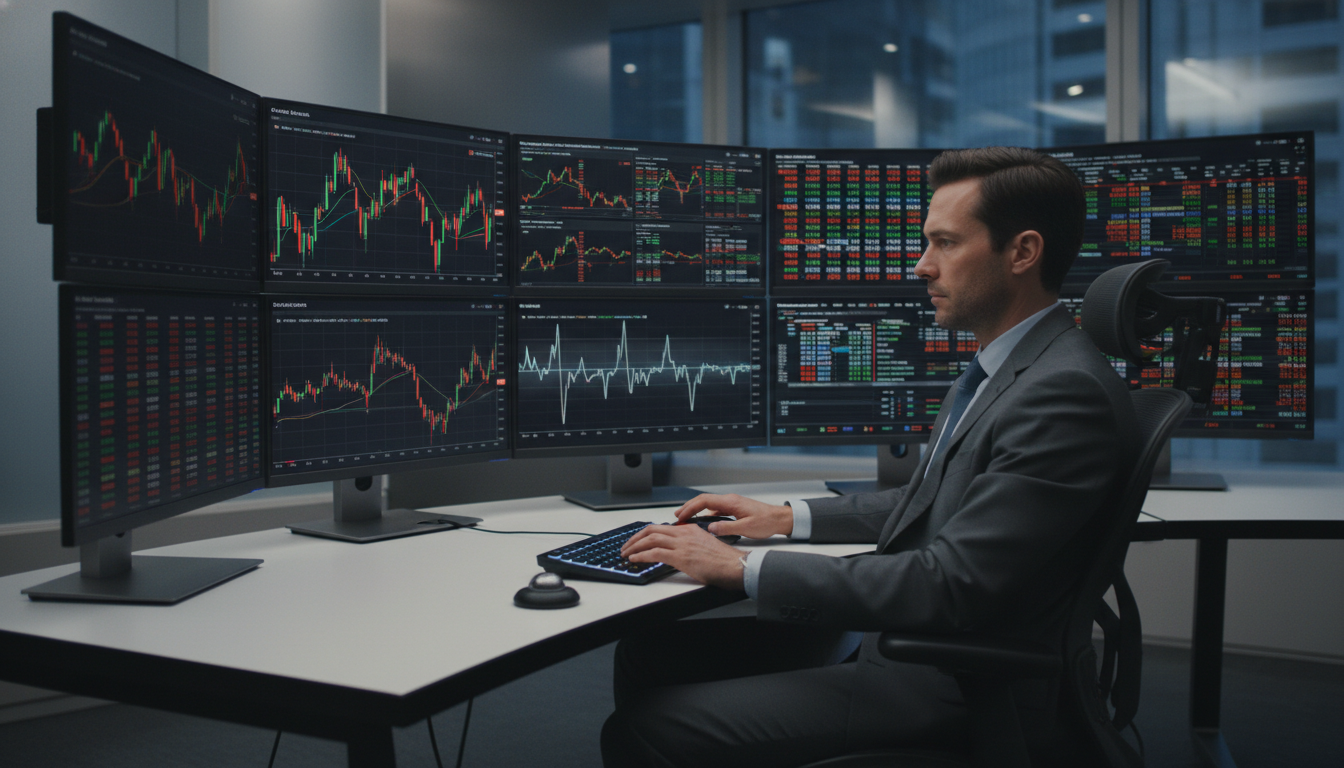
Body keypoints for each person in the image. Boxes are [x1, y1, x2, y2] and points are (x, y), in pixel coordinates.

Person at [602, 146, 1142, 768]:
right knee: (647, 652)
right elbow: (930, 505)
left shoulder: (1061, 392)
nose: (922, 266)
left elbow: (952, 584)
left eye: (944, 243)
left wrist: (743, 568)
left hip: (951, 683)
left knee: (646, 729)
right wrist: (784, 517)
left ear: (1022, 252)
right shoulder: (1014, 367)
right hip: (911, 646)